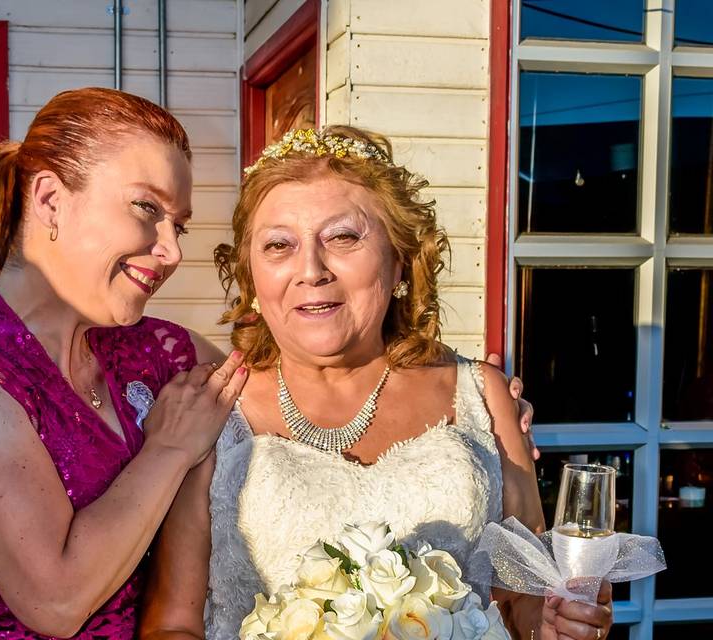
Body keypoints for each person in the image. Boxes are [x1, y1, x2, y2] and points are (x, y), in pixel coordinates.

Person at [139, 127, 613, 640]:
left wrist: (558, 623)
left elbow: (524, 599)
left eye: (342, 237)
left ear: (400, 260)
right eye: (279, 245)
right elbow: (171, 625)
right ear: (253, 277)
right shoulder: (208, 409)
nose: (310, 270)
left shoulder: (483, 395)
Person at [0, 88, 248, 639]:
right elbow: (57, 600)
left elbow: (276, 388)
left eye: (179, 224)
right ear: (49, 199)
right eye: (148, 209)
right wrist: (167, 450)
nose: (171, 250)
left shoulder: (151, 350)